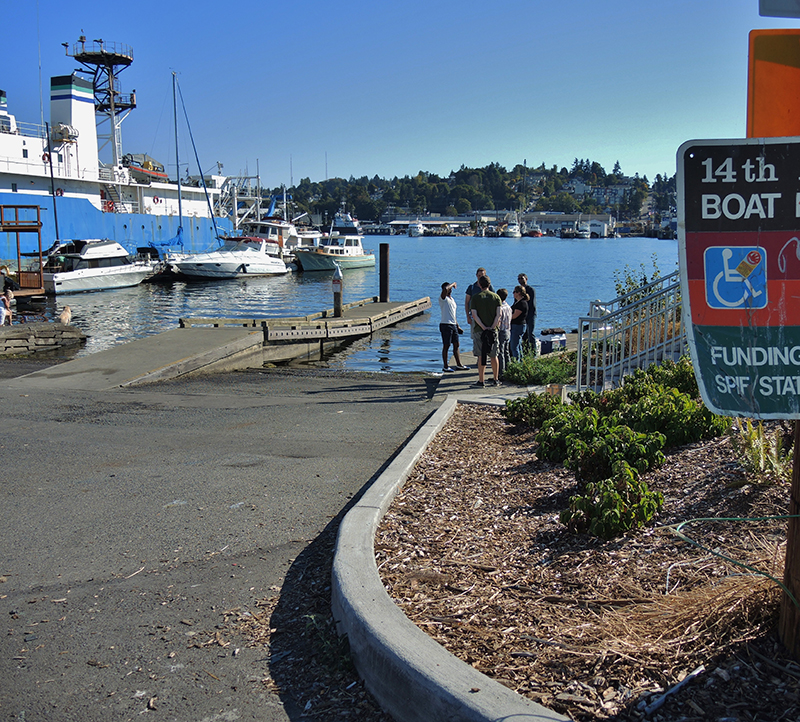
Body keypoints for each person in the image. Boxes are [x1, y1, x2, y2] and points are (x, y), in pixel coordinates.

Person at [469, 275, 502, 387]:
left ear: (479, 284)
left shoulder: (475, 297)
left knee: (481, 355)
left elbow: (474, 314)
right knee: (494, 355)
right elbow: (499, 315)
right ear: (489, 284)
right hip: (493, 330)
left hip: (480, 330)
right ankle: (496, 379)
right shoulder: (496, 297)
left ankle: (481, 380)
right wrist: (492, 327)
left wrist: (483, 327)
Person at [464, 267, 495, 357]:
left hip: (486, 316)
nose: (480, 277)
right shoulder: (472, 287)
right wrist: (467, 316)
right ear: (476, 276)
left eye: (483, 275)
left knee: (487, 336)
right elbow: (467, 302)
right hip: (474, 316)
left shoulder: (490, 287)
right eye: (479, 275)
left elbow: (493, 300)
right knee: (476, 337)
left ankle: (487, 354)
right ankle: (479, 357)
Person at [438, 282, 468, 373]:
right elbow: (445, 289)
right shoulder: (443, 298)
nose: (450, 290)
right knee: (446, 345)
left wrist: (457, 326)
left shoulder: (452, 299)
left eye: (451, 289)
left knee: (456, 344)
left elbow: (453, 315)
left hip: (453, 324)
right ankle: (445, 366)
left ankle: (459, 364)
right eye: (449, 289)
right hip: (445, 324)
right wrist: (453, 284)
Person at [517, 273, 537, 350]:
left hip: (530, 314)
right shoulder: (518, 290)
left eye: (521, 278)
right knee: (524, 335)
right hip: (522, 315)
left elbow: (531, 304)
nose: (520, 280)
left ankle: (533, 352)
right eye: (518, 279)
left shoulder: (530, 289)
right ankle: (525, 351)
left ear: (526, 279)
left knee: (530, 333)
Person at [509, 285, 529, 360]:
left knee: (514, 347)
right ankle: (521, 361)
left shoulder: (522, 303)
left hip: (518, 326)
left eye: (514, 292)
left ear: (519, 293)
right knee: (518, 345)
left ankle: (517, 362)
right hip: (516, 326)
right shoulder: (517, 302)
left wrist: (506, 317)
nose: (513, 293)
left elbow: (514, 316)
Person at [496, 288, 512, 379]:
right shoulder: (508, 307)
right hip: (508, 330)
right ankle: (508, 371)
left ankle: (501, 374)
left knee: (500, 352)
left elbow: (498, 319)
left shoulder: (500, 307)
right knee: (506, 352)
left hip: (501, 331)